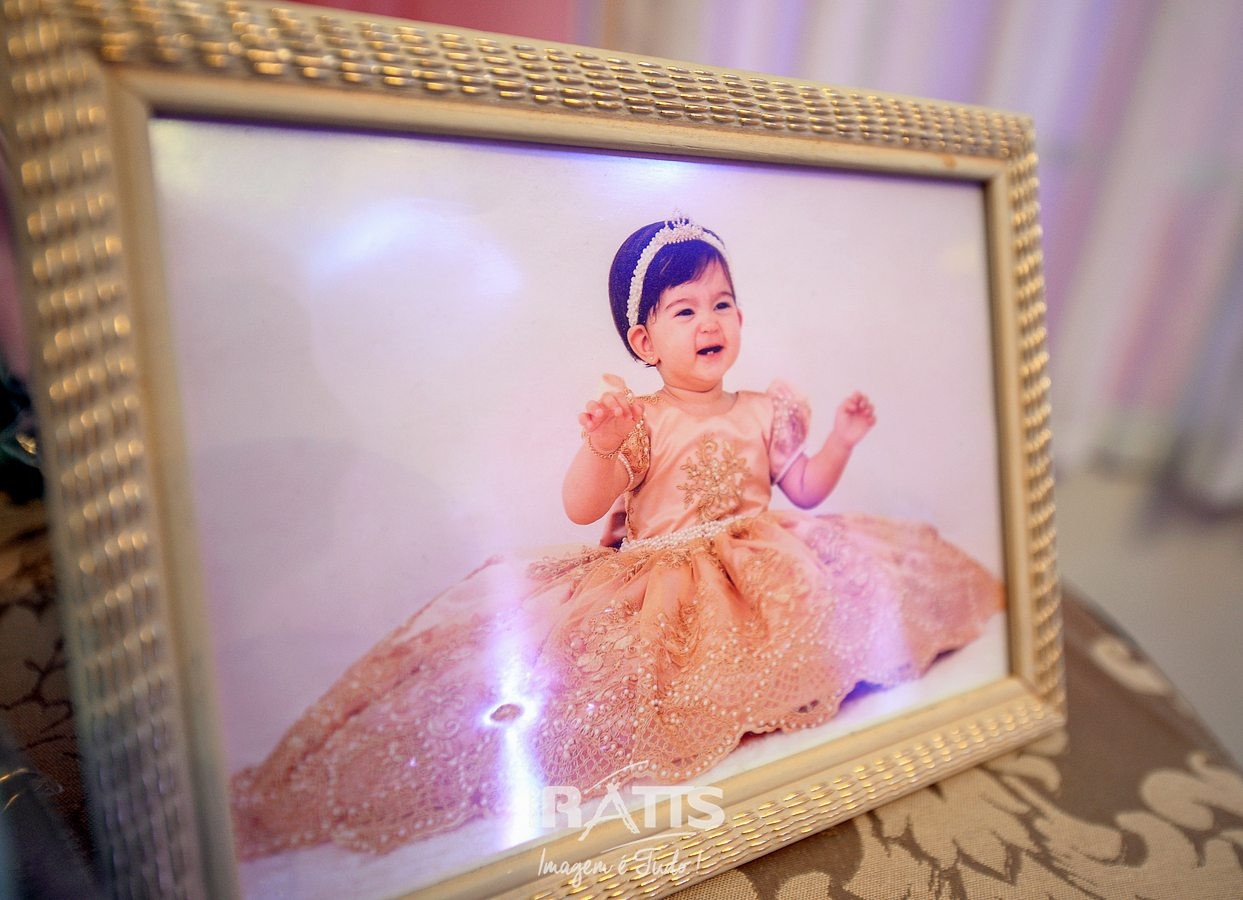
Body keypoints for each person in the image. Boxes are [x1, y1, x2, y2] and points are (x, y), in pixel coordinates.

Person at [229, 217, 1002, 859]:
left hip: (762, 562)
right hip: (671, 577)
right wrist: (601, 448)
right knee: (630, 678)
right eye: (684, 310)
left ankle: (791, 688)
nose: (710, 322)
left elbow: (802, 490)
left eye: (723, 303)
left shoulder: (764, 409)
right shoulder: (639, 418)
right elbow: (580, 507)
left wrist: (840, 440)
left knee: (833, 597)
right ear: (644, 340)